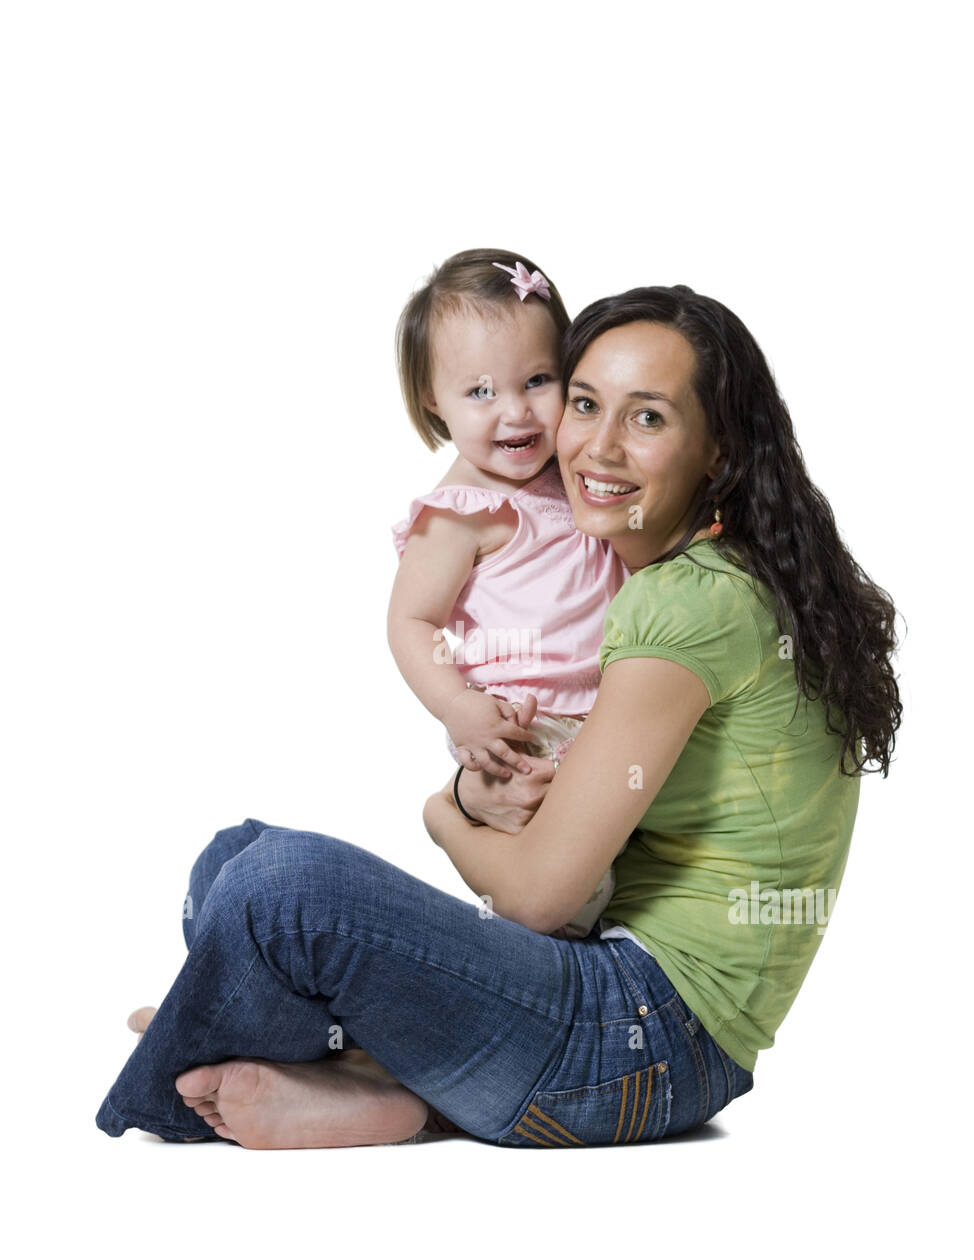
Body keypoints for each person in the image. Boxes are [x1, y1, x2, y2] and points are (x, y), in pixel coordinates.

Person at [95, 283, 900, 1150]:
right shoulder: (683, 574)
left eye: (649, 419)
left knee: (277, 886)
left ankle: (198, 1066)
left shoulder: (686, 606)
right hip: (608, 1008)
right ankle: (389, 1088)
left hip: (642, 1043)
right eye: (586, 403)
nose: (597, 443)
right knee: (236, 856)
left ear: (717, 449)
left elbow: (535, 897)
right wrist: (485, 792)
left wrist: (441, 812)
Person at [389, 248, 628, 935]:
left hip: (606, 718)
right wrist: (457, 707)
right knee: (569, 885)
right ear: (434, 398)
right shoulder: (461, 508)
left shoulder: (578, 467)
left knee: (616, 864)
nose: (515, 412)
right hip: (524, 723)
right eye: (480, 392)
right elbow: (410, 619)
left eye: (538, 380)